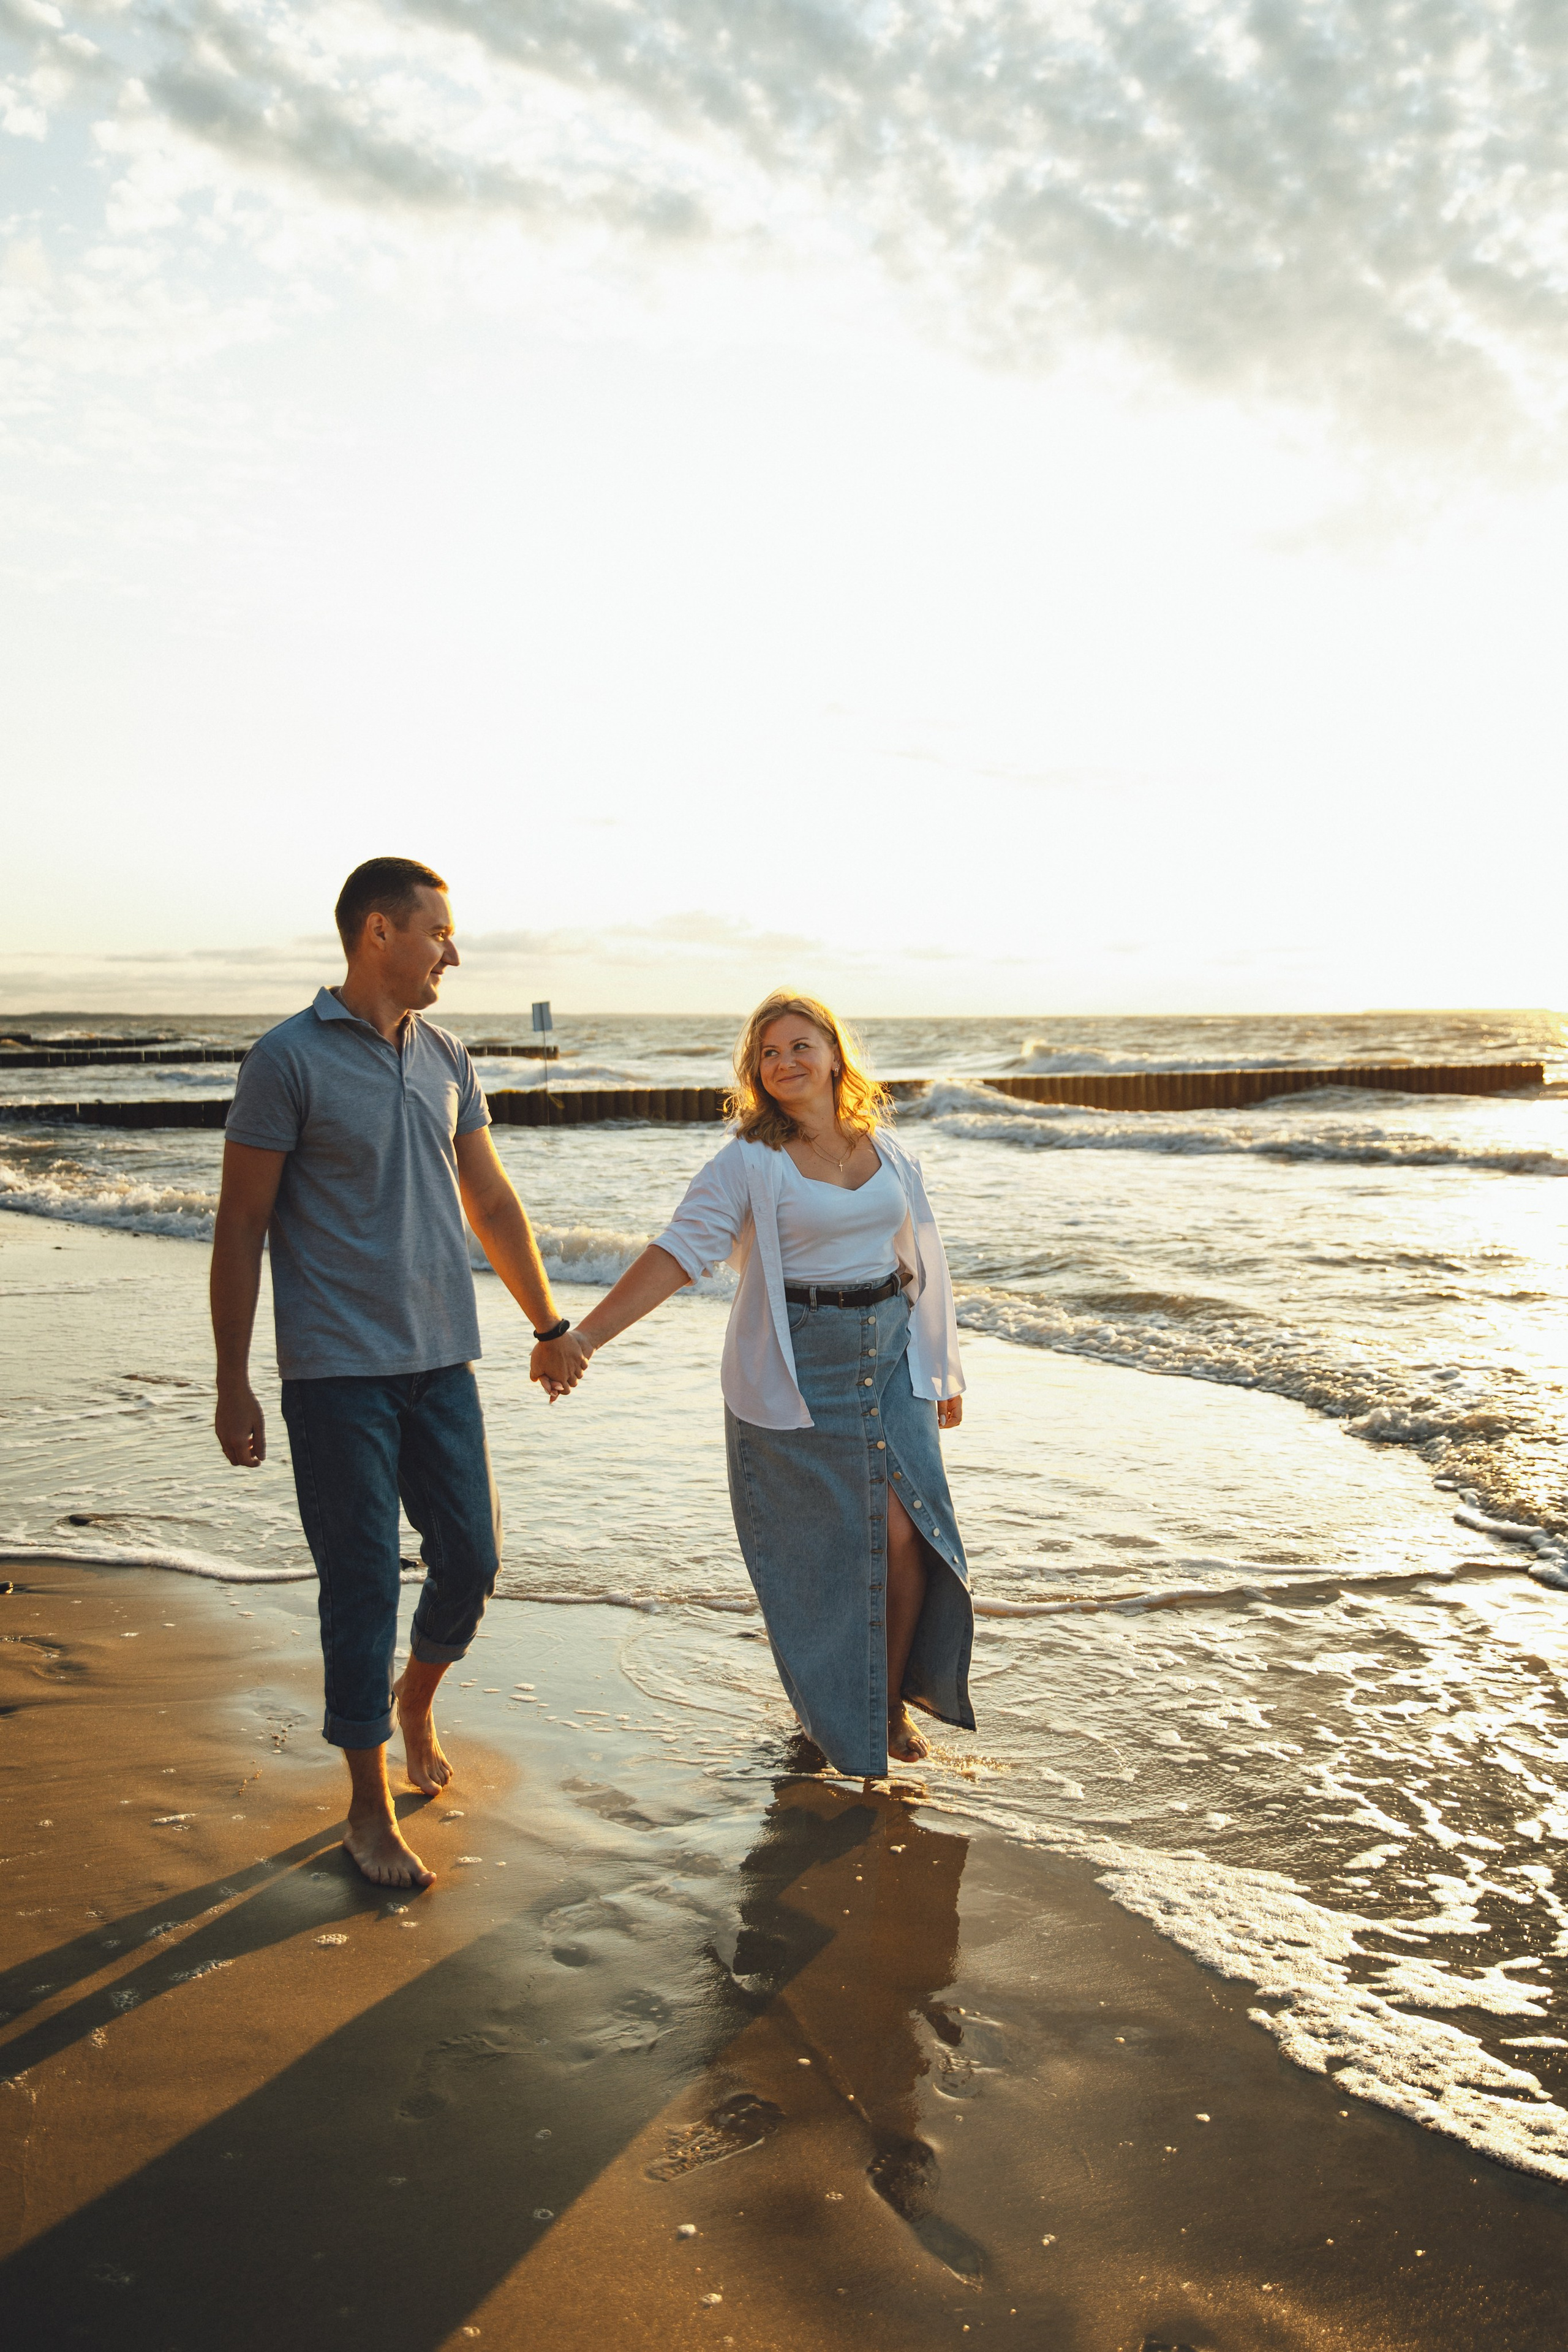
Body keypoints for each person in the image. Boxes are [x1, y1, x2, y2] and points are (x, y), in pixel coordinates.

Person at [209, 856, 589, 1888]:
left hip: (442, 1362)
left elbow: (491, 1202)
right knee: (364, 1579)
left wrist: (549, 1324)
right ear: (380, 932)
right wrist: (233, 1379)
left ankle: (415, 1699)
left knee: (471, 1557)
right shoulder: (285, 1060)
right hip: (336, 1374)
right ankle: (368, 1806)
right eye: (439, 933)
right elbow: (241, 1225)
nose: (452, 954)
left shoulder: (447, 1055)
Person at [564, 990, 973, 1776]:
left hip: (891, 1355)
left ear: (834, 1054)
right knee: (824, 1552)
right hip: (799, 1366)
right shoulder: (747, 1161)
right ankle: (837, 1710)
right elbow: (679, 1251)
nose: (785, 1062)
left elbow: (924, 1257)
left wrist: (940, 1365)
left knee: (909, 1536)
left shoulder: (887, 1150)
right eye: (768, 1053)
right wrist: (585, 1337)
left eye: (799, 1046)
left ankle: (883, 1706)